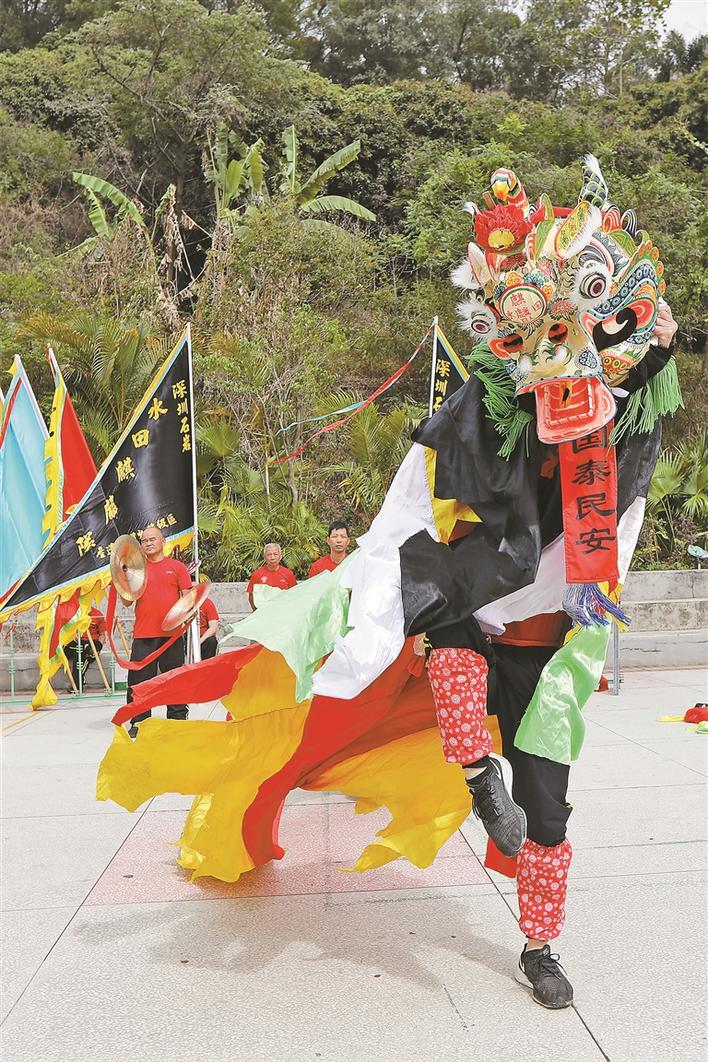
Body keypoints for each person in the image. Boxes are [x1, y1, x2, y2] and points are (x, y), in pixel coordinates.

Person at [123, 524, 192, 737]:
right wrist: (124, 579)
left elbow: (188, 597)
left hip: (171, 635)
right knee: (139, 681)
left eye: (153, 539)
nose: (148, 543)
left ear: (163, 542)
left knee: (174, 679)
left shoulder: (177, 567)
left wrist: (189, 612)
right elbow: (126, 602)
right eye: (144, 540)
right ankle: (139, 722)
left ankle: (177, 719)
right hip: (144, 634)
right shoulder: (136, 570)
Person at [63, 606, 106, 689]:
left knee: (81, 653)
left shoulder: (97, 614)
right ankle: (85, 647)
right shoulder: (73, 613)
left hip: (92, 644)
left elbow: (102, 635)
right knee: (79, 650)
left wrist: (98, 647)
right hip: (75, 643)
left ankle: (77, 684)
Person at [246, 543, 297, 610]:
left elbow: (294, 594)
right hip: (263, 612)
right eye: (269, 554)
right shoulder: (257, 574)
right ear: (264, 557)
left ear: (280, 556)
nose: (272, 558)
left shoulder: (288, 574)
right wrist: (256, 612)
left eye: (275, 554)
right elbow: (251, 596)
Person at [198, 594, 219, 659]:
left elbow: (213, 628)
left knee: (211, 641)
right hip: (186, 637)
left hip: (203, 637)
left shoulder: (207, 603)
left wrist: (199, 641)